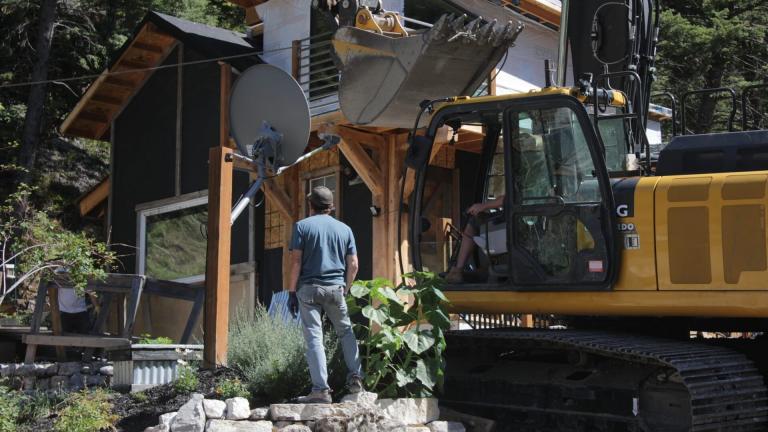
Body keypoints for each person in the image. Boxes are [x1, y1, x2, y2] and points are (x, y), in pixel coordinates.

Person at [286, 186, 363, 404]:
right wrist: (345, 288)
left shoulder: (302, 226)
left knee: (314, 336)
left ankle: (321, 390)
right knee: (346, 332)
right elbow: (354, 265)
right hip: (336, 289)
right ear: (331, 206)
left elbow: (296, 262)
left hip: (309, 289)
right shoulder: (345, 229)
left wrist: (291, 292)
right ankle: (356, 377)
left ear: (310, 205)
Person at [444, 195, 505, 284]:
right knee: (480, 218)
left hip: (512, 218)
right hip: (513, 216)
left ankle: (457, 271)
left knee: (474, 221)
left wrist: (483, 206)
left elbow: (509, 197)